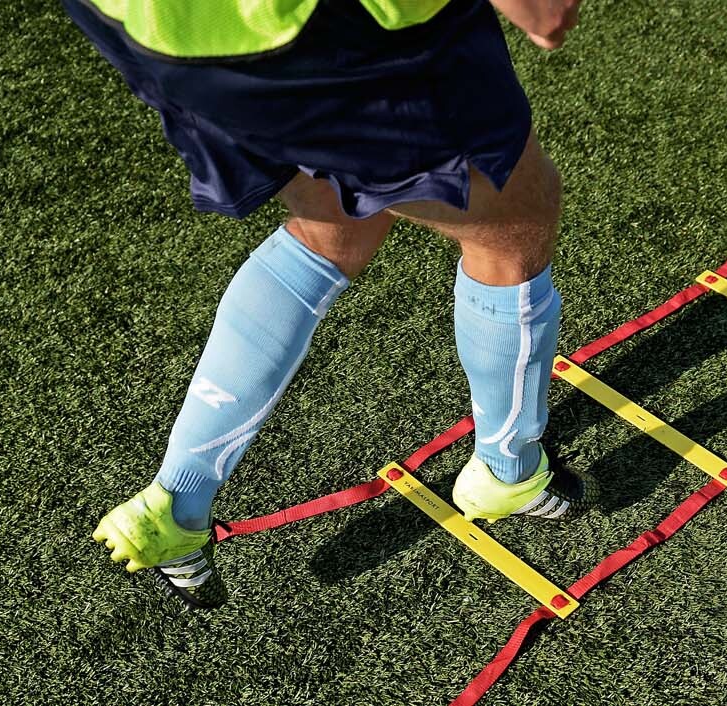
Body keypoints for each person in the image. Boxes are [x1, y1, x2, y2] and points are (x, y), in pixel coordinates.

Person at [74, 0, 598, 610]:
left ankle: (176, 501)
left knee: (334, 219)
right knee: (512, 225)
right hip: (311, 28)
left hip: (154, 22)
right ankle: (511, 470)